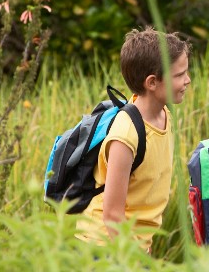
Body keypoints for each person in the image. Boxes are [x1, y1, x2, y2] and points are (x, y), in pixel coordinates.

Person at [76, 27, 192, 252]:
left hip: (135, 244)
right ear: (152, 82)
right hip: (104, 248)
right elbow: (112, 215)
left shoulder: (163, 114)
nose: (187, 80)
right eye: (179, 75)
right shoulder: (125, 135)